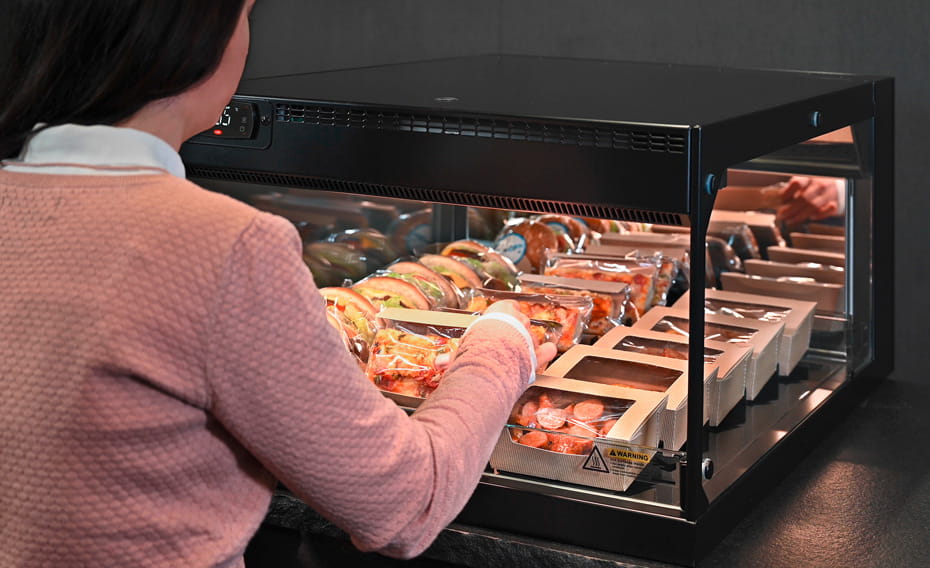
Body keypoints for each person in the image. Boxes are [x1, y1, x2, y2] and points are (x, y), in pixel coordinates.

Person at [0, 1, 556, 566]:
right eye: (245, 15)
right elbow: (407, 504)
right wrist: (501, 346)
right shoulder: (223, 245)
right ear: (193, 36)